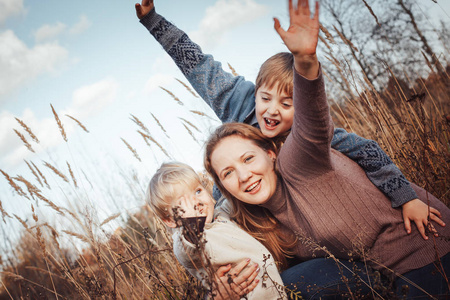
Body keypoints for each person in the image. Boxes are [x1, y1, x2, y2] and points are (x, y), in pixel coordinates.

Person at [135, 0, 442, 242]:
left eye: (287, 104)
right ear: (257, 91)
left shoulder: (320, 136)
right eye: (266, 98)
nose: (271, 111)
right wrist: (153, 21)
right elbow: (198, 65)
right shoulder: (241, 103)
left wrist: (406, 197)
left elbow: (369, 151)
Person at [203, 0, 450, 298]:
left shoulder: (296, 157)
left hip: (423, 247)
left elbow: (313, 119)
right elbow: (212, 239)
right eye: (228, 172)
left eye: (247, 158)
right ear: (222, 187)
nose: (243, 175)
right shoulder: (252, 215)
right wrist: (217, 286)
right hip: (377, 273)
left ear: (270, 154)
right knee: (286, 285)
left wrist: (305, 62)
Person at [146, 162, 292, 299]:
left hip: (275, 288)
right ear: (170, 220)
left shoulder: (220, 216)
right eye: (183, 203)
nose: (197, 202)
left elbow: (233, 198)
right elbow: (188, 245)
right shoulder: (188, 242)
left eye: (197, 191)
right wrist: (192, 222)